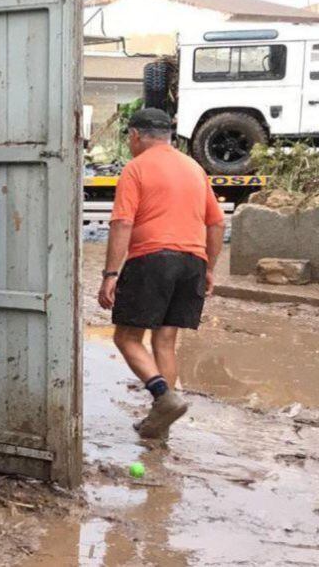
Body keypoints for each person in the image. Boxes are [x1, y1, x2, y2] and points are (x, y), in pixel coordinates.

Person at [98, 108, 225, 441]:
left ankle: (162, 396)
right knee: (165, 342)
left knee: (126, 338)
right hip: (191, 262)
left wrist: (111, 274)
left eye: (129, 138)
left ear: (136, 136)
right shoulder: (195, 168)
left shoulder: (136, 168)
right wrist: (208, 268)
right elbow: (217, 223)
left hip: (153, 259)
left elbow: (122, 223)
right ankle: (161, 425)